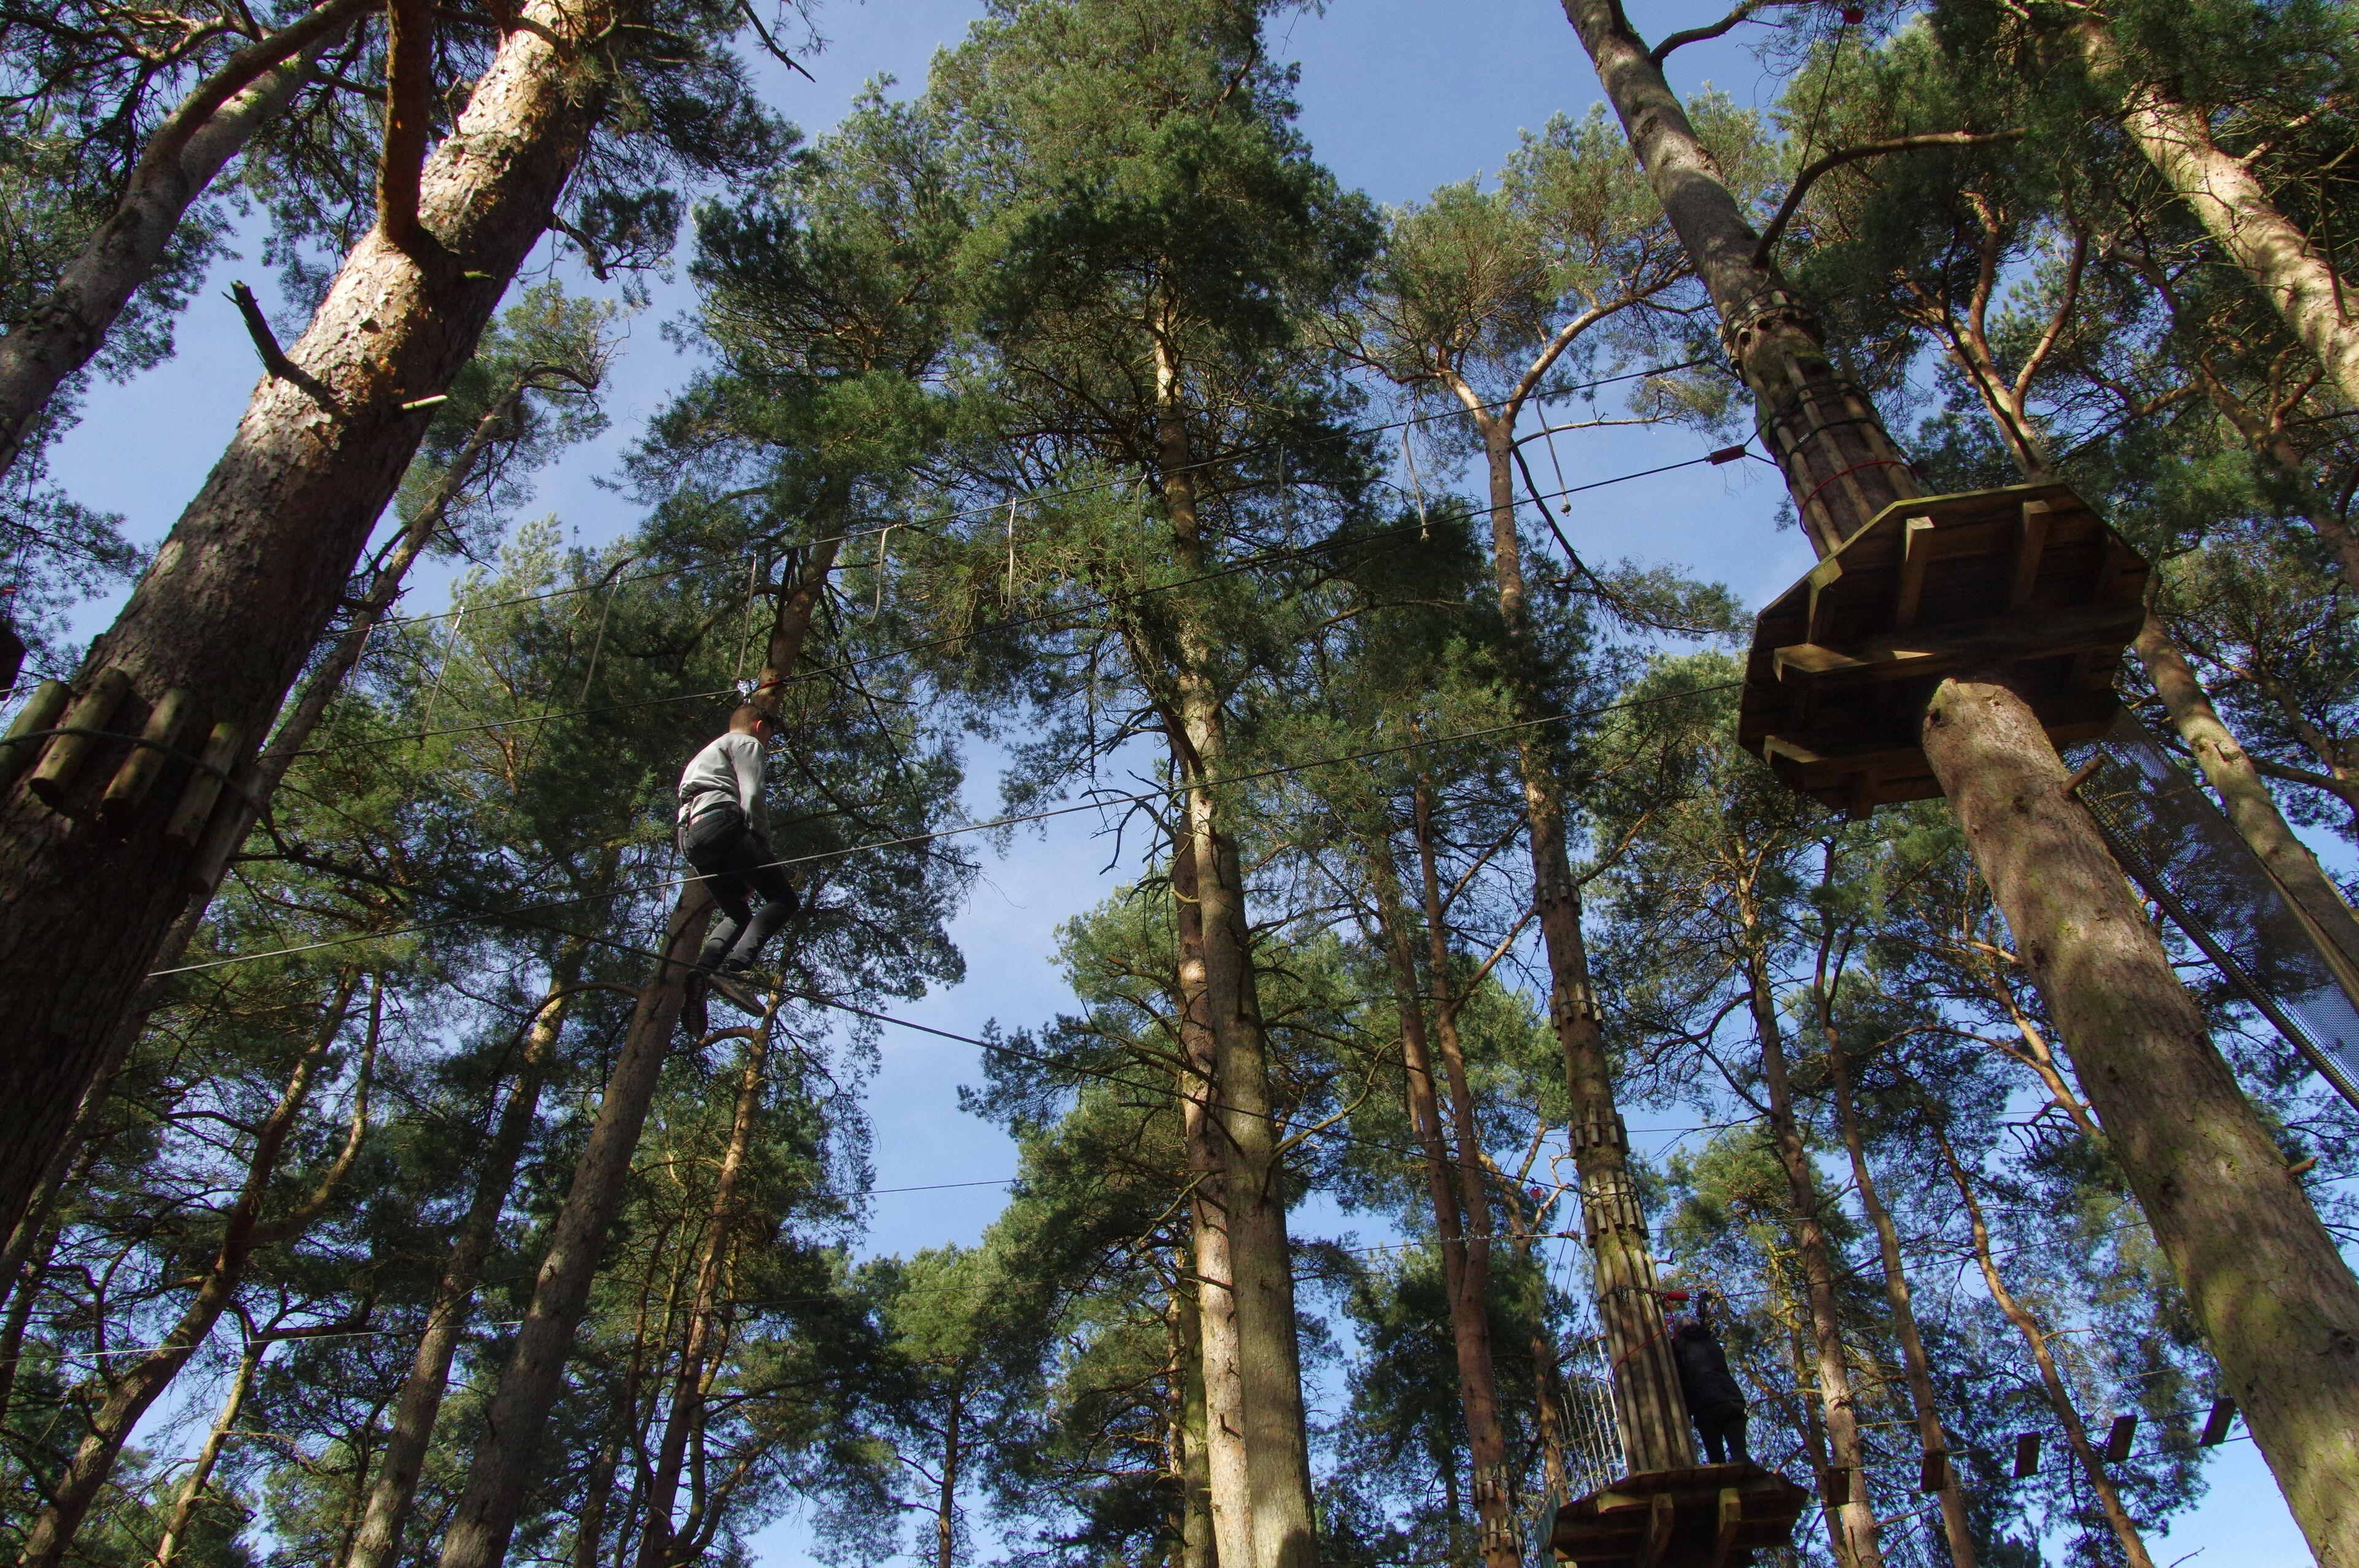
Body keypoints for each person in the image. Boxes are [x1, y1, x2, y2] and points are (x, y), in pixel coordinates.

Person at [676, 704, 798, 1010]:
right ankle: (736, 969)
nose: (768, 742)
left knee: (738, 913)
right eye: (769, 735)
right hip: (721, 823)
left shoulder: (705, 755)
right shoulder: (746, 743)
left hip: (690, 839)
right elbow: (753, 795)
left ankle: (704, 971)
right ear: (759, 726)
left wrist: (744, 871)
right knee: (783, 899)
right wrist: (762, 848)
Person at [1672, 1313, 1749, 1465]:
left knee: (1717, 1460)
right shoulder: (1712, 1341)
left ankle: (1726, 1486)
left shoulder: (1680, 1346)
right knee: (1740, 1454)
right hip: (1731, 1399)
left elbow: (1681, 1377)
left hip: (1705, 1406)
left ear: (1677, 1332)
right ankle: (1750, 1482)